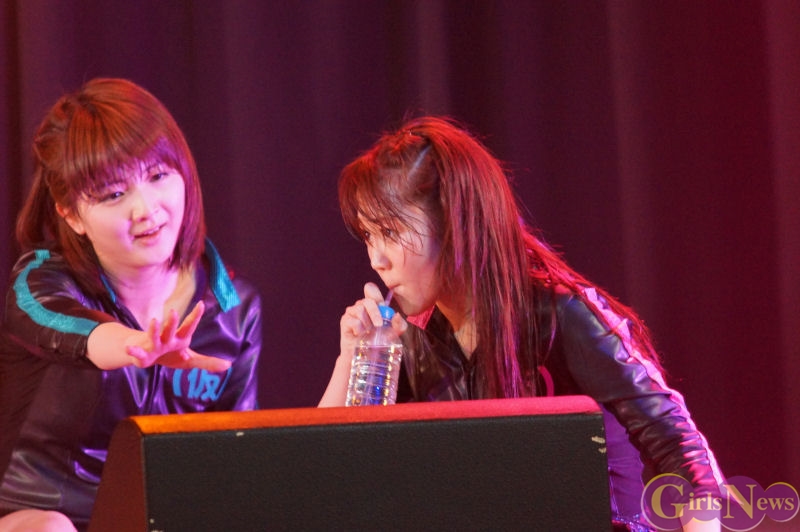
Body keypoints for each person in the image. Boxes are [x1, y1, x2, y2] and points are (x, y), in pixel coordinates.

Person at [319, 116, 725, 531]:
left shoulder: (561, 315)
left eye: (389, 232)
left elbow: (683, 451)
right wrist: (349, 359)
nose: (376, 259)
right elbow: (327, 474)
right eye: (368, 236)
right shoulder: (413, 341)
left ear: (454, 222)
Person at [0, 78, 262, 531]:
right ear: (70, 213)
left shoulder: (234, 308)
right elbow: (79, 332)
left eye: (158, 176)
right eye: (114, 194)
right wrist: (139, 346)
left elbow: (235, 460)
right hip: (33, 515)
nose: (146, 209)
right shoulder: (39, 280)